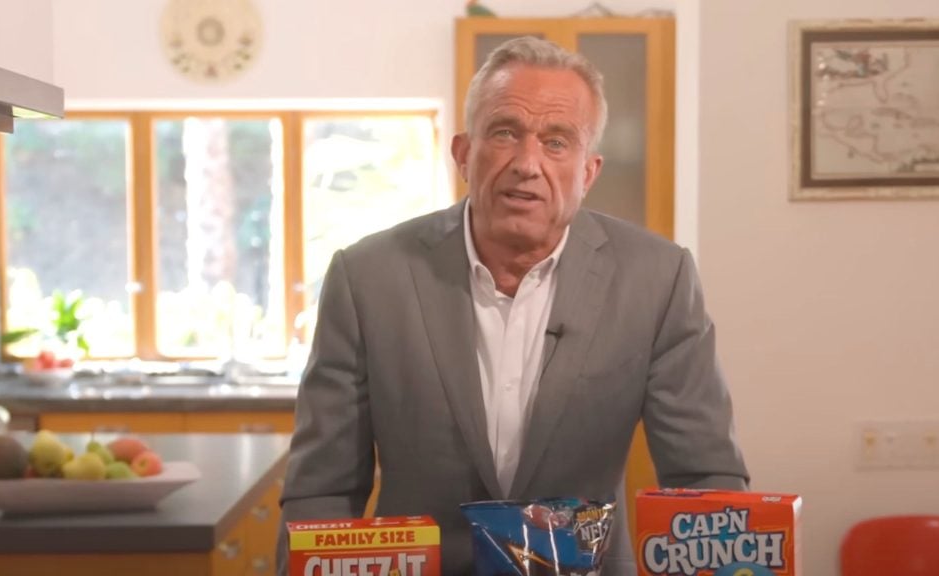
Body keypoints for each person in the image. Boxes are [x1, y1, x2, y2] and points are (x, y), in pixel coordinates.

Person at [277, 36, 749, 575]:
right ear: (462, 153)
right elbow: (322, 492)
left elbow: (705, 480)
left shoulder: (658, 279)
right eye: (505, 133)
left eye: (556, 142)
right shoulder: (368, 278)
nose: (527, 163)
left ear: (588, 172)